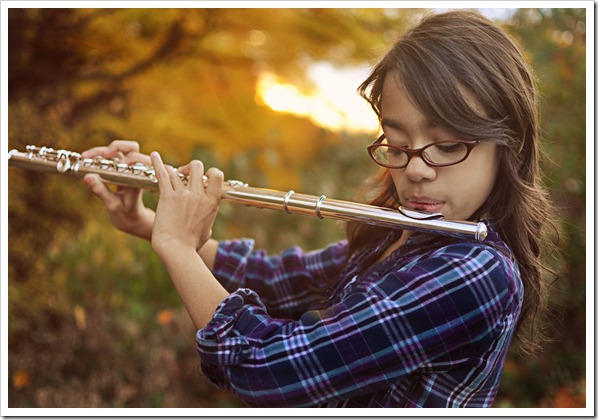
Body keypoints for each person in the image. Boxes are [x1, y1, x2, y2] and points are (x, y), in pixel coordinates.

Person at [80, 10, 557, 408]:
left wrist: (178, 248)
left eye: (448, 146)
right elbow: (277, 280)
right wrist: (149, 222)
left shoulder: (476, 273)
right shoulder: (406, 234)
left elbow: (272, 371)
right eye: (396, 143)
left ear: (509, 146)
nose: (415, 170)